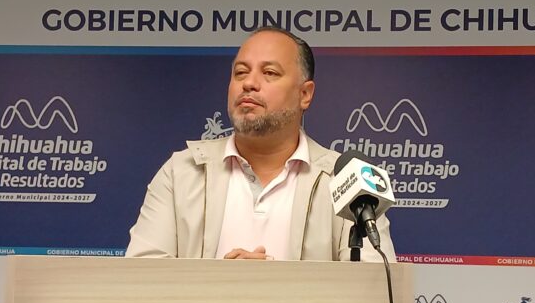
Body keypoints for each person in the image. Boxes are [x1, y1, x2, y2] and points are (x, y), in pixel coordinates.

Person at [126, 26, 395, 262]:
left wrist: (267, 286)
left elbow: (375, 290)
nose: (249, 83)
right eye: (240, 72)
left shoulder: (345, 180)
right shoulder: (182, 172)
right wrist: (220, 284)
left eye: (269, 73)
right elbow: (140, 280)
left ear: (304, 94)